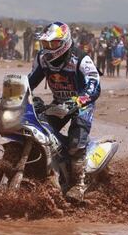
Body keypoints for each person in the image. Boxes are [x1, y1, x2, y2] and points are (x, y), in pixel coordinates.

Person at [28, 21, 100, 201]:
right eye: (45, 44)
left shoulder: (81, 59)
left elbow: (94, 85)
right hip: (59, 103)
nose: (48, 48)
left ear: (64, 42)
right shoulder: (42, 59)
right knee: (37, 130)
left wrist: (78, 101)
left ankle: (79, 184)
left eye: (53, 44)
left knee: (76, 145)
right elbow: (29, 82)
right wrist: (14, 95)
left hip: (81, 105)